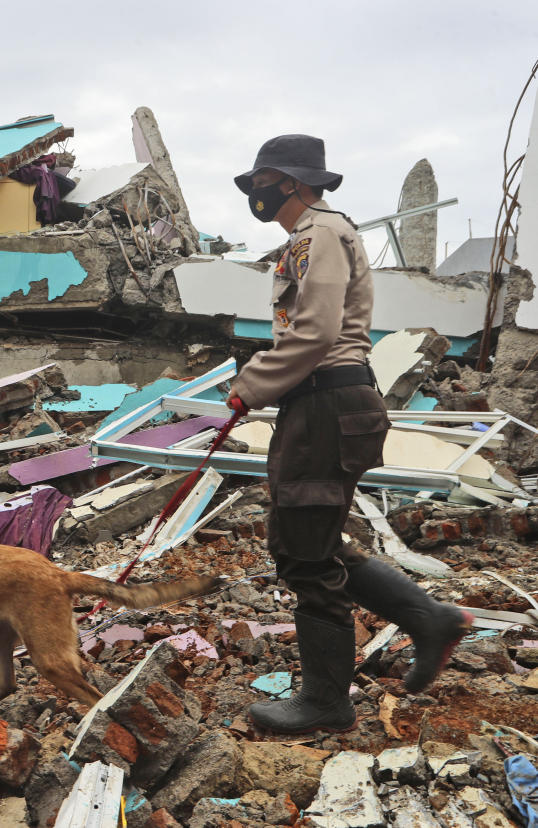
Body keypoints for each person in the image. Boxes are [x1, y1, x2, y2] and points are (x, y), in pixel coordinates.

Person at [226, 134, 472, 735]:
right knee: (305, 540)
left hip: (329, 404)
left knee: (307, 552)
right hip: (318, 403)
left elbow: (313, 333)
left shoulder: (322, 234)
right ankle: (428, 618)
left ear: (290, 181)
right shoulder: (305, 238)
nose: (255, 192)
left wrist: (248, 386)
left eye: (264, 181)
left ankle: (327, 704)